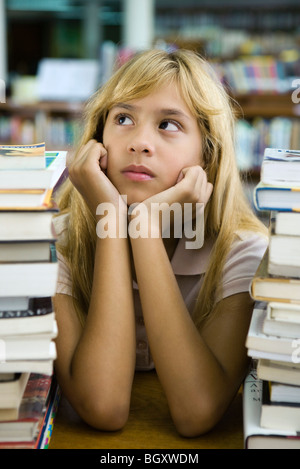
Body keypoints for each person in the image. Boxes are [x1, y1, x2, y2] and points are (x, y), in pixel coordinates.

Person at [52, 49, 268, 437]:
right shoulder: (58, 244)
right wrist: (112, 220)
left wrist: (145, 227)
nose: (139, 142)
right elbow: (103, 406)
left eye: (168, 124)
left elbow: (196, 411)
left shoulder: (242, 252)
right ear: (97, 141)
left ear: (209, 154)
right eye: (123, 119)